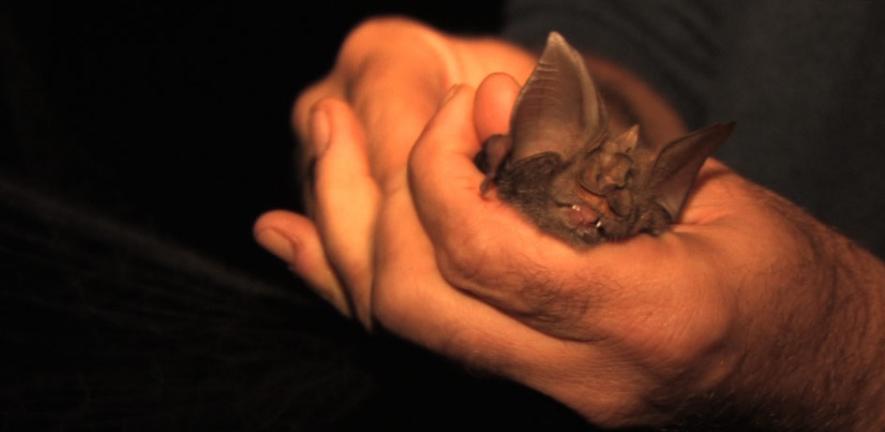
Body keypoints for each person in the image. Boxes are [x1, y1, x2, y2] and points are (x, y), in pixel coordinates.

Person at [254, 4, 885, 431]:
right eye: (587, 195)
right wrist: (573, 94)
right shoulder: (526, 166)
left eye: (611, 203)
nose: (593, 206)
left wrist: (845, 357)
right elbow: (644, 28)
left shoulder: (641, 214)